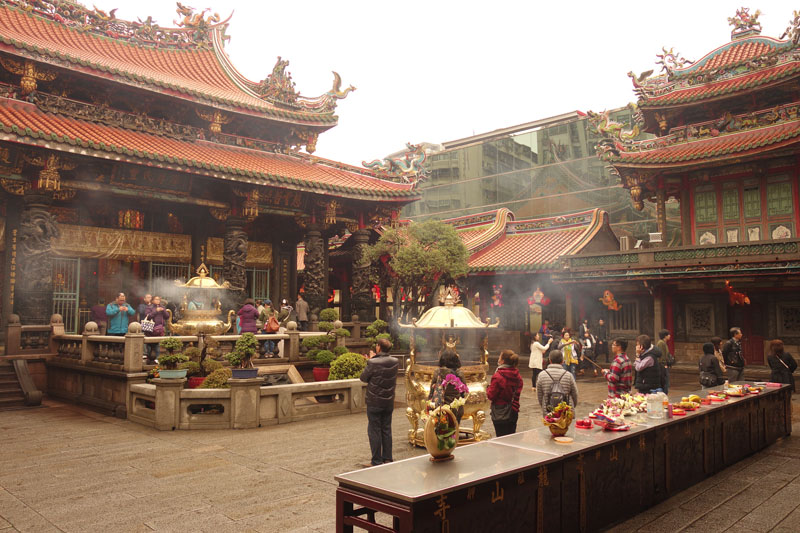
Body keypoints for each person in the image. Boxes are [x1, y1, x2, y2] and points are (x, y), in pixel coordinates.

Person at [359, 338, 399, 467]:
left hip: (375, 401)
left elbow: (363, 378)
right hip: (388, 401)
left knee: (374, 430)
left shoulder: (373, 362)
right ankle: (387, 458)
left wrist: (371, 359)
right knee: (386, 429)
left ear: (379, 348)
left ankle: (376, 460)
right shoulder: (395, 361)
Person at [487, 350, 524, 437]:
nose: (498, 358)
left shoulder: (498, 376)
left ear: (502, 361)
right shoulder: (518, 376)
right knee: (511, 438)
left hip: (500, 412)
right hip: (514, 410)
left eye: (500, 357)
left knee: (501, 438)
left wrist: (488, 388)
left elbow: (491, 395)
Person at [429, 349, 468, 422]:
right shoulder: (459, 373)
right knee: (454, 429)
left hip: (440, 407)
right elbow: (464, 392)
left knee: (441, 430)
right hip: (456, 408)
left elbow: (432, 390)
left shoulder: (437, 372)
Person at [142, 296, 168, 363]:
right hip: (150, 328)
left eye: (159, 299)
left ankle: (157, 358)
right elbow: (148, 316)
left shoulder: (162, 307)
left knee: (157, 344)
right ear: (152, 300)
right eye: (156, 299)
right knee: (149, 344)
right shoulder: (149, 307)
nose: (158, 300)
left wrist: (163, 311)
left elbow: (167, 316)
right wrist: (156, 311)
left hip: (159, 328)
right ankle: (149, 359)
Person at [656, 329, 673, 394]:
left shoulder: (664, 343)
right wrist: (664, 364)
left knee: (666, 382)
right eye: (668, 334)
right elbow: (661, 355)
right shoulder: (661, 343)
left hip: (665, 364)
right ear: (665, 336)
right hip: (662, 365)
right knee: (664, 382)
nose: (669, 336)